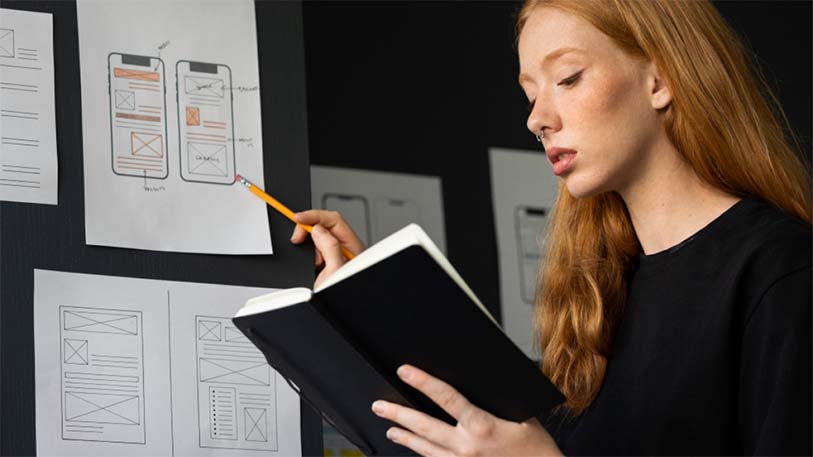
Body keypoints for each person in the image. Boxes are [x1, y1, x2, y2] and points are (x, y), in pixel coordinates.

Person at [290, 0, 812, 454]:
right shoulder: (597, 297)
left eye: (567, 78)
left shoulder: (783, 273)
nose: (537, 119)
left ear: (659, 79)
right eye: (530, 94)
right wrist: (369, 303)